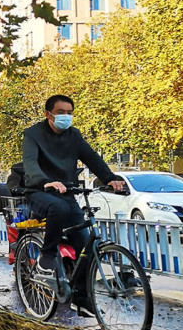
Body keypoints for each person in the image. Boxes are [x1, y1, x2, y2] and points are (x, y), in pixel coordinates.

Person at [22, 94, 124, 314]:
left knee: (86, 245)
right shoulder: (32, 134)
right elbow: (30, 163)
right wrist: (46, 181)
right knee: (57, 208)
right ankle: (46, 256)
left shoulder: (74, 136)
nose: (66, 117)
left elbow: (92, 158)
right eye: (61, 113)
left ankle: (81, 296)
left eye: (70, 113)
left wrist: (110, 178)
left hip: (66, 192)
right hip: (38, 191)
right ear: (48, 114)